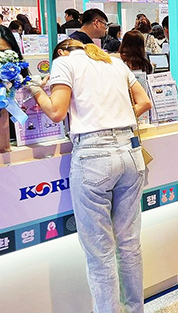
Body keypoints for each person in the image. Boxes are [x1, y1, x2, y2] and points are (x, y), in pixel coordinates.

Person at [27, 39, 152, 313]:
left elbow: (56, 111)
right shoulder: (114, 62)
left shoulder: (64, 63)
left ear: (62, 51)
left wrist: (35, 87)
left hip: (94, 156)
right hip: (130, 152)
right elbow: (144, 102)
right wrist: (114, 118)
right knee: (129, 244)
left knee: (100, 253)